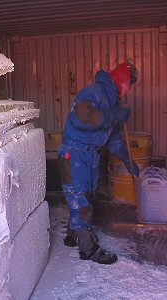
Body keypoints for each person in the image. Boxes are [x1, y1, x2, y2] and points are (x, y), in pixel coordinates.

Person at [57, 62, 139, 265]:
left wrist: (128, 161)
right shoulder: (94, 92)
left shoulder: (114, 103)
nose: (129, 88)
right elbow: (83, 117)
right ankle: (88, 249)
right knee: (81, 200)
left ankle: (72, 235)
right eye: (129, 83)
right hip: (74, 153)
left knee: (85, 196)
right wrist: (112, 115)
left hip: (91, 155)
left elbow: (114, 140)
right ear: (120, 79)